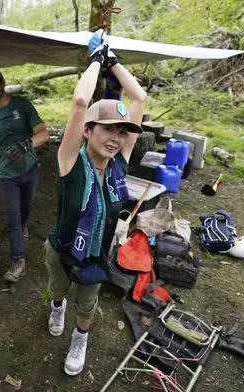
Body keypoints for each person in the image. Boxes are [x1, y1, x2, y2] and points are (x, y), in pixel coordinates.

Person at [43, 32, 146, 376]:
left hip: (95, 256)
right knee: (58, 289)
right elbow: (78, 104)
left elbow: (139, 97)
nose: (116, 138)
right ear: (87, 131)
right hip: (61, 248)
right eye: (107, 129)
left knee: (87, 303)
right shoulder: (70, 162)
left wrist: (114, 60)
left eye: (121, 131)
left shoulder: (119, 163)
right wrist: (96, 61)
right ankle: (57, 306)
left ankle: (80, 337)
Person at [0, 69, 49, 283]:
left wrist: (27, 144)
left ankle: (23, 224)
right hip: (6, 174)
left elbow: (43, 133)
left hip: (30, 168)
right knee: (12, 218)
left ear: (2, 83)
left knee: (25, 208)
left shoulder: (22, 106)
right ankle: (19, 261)